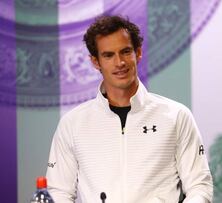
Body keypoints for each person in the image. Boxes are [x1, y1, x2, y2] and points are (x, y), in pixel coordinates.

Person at [46, 15, 213, 203]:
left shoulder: (176, 116)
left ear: (138, 52)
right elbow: (58, 193)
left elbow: (199, 186)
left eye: (125, 51)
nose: (120, 63)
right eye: (108, 55)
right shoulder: (72, 124)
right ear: (95, 61)